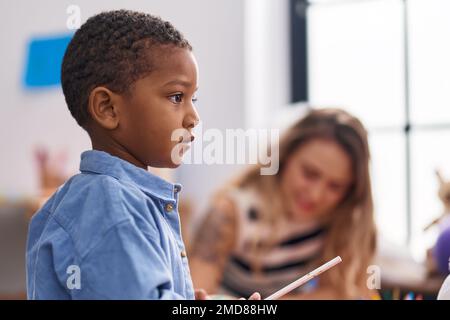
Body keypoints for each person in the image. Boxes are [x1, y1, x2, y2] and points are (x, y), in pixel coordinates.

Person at [26, 9, 261, 300]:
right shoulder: (110, 205)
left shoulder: (114, 199)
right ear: (107, 108)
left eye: (193, 98)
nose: (194, 117)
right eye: (177, 97)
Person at [190, 108, 377, 299]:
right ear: (285, 157)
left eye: (335, 186)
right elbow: (197, 293)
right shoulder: (231, 212)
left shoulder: (343, 223)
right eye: (309, 173)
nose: (315, 195)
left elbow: (338, 292)